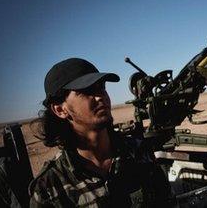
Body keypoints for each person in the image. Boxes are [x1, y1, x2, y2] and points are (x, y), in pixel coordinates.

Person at [29, 58, 172, 207]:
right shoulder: (49, 188)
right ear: (60, 110)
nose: (100, 96)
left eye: (101, 87)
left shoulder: (139, 152)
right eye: (87, 91)